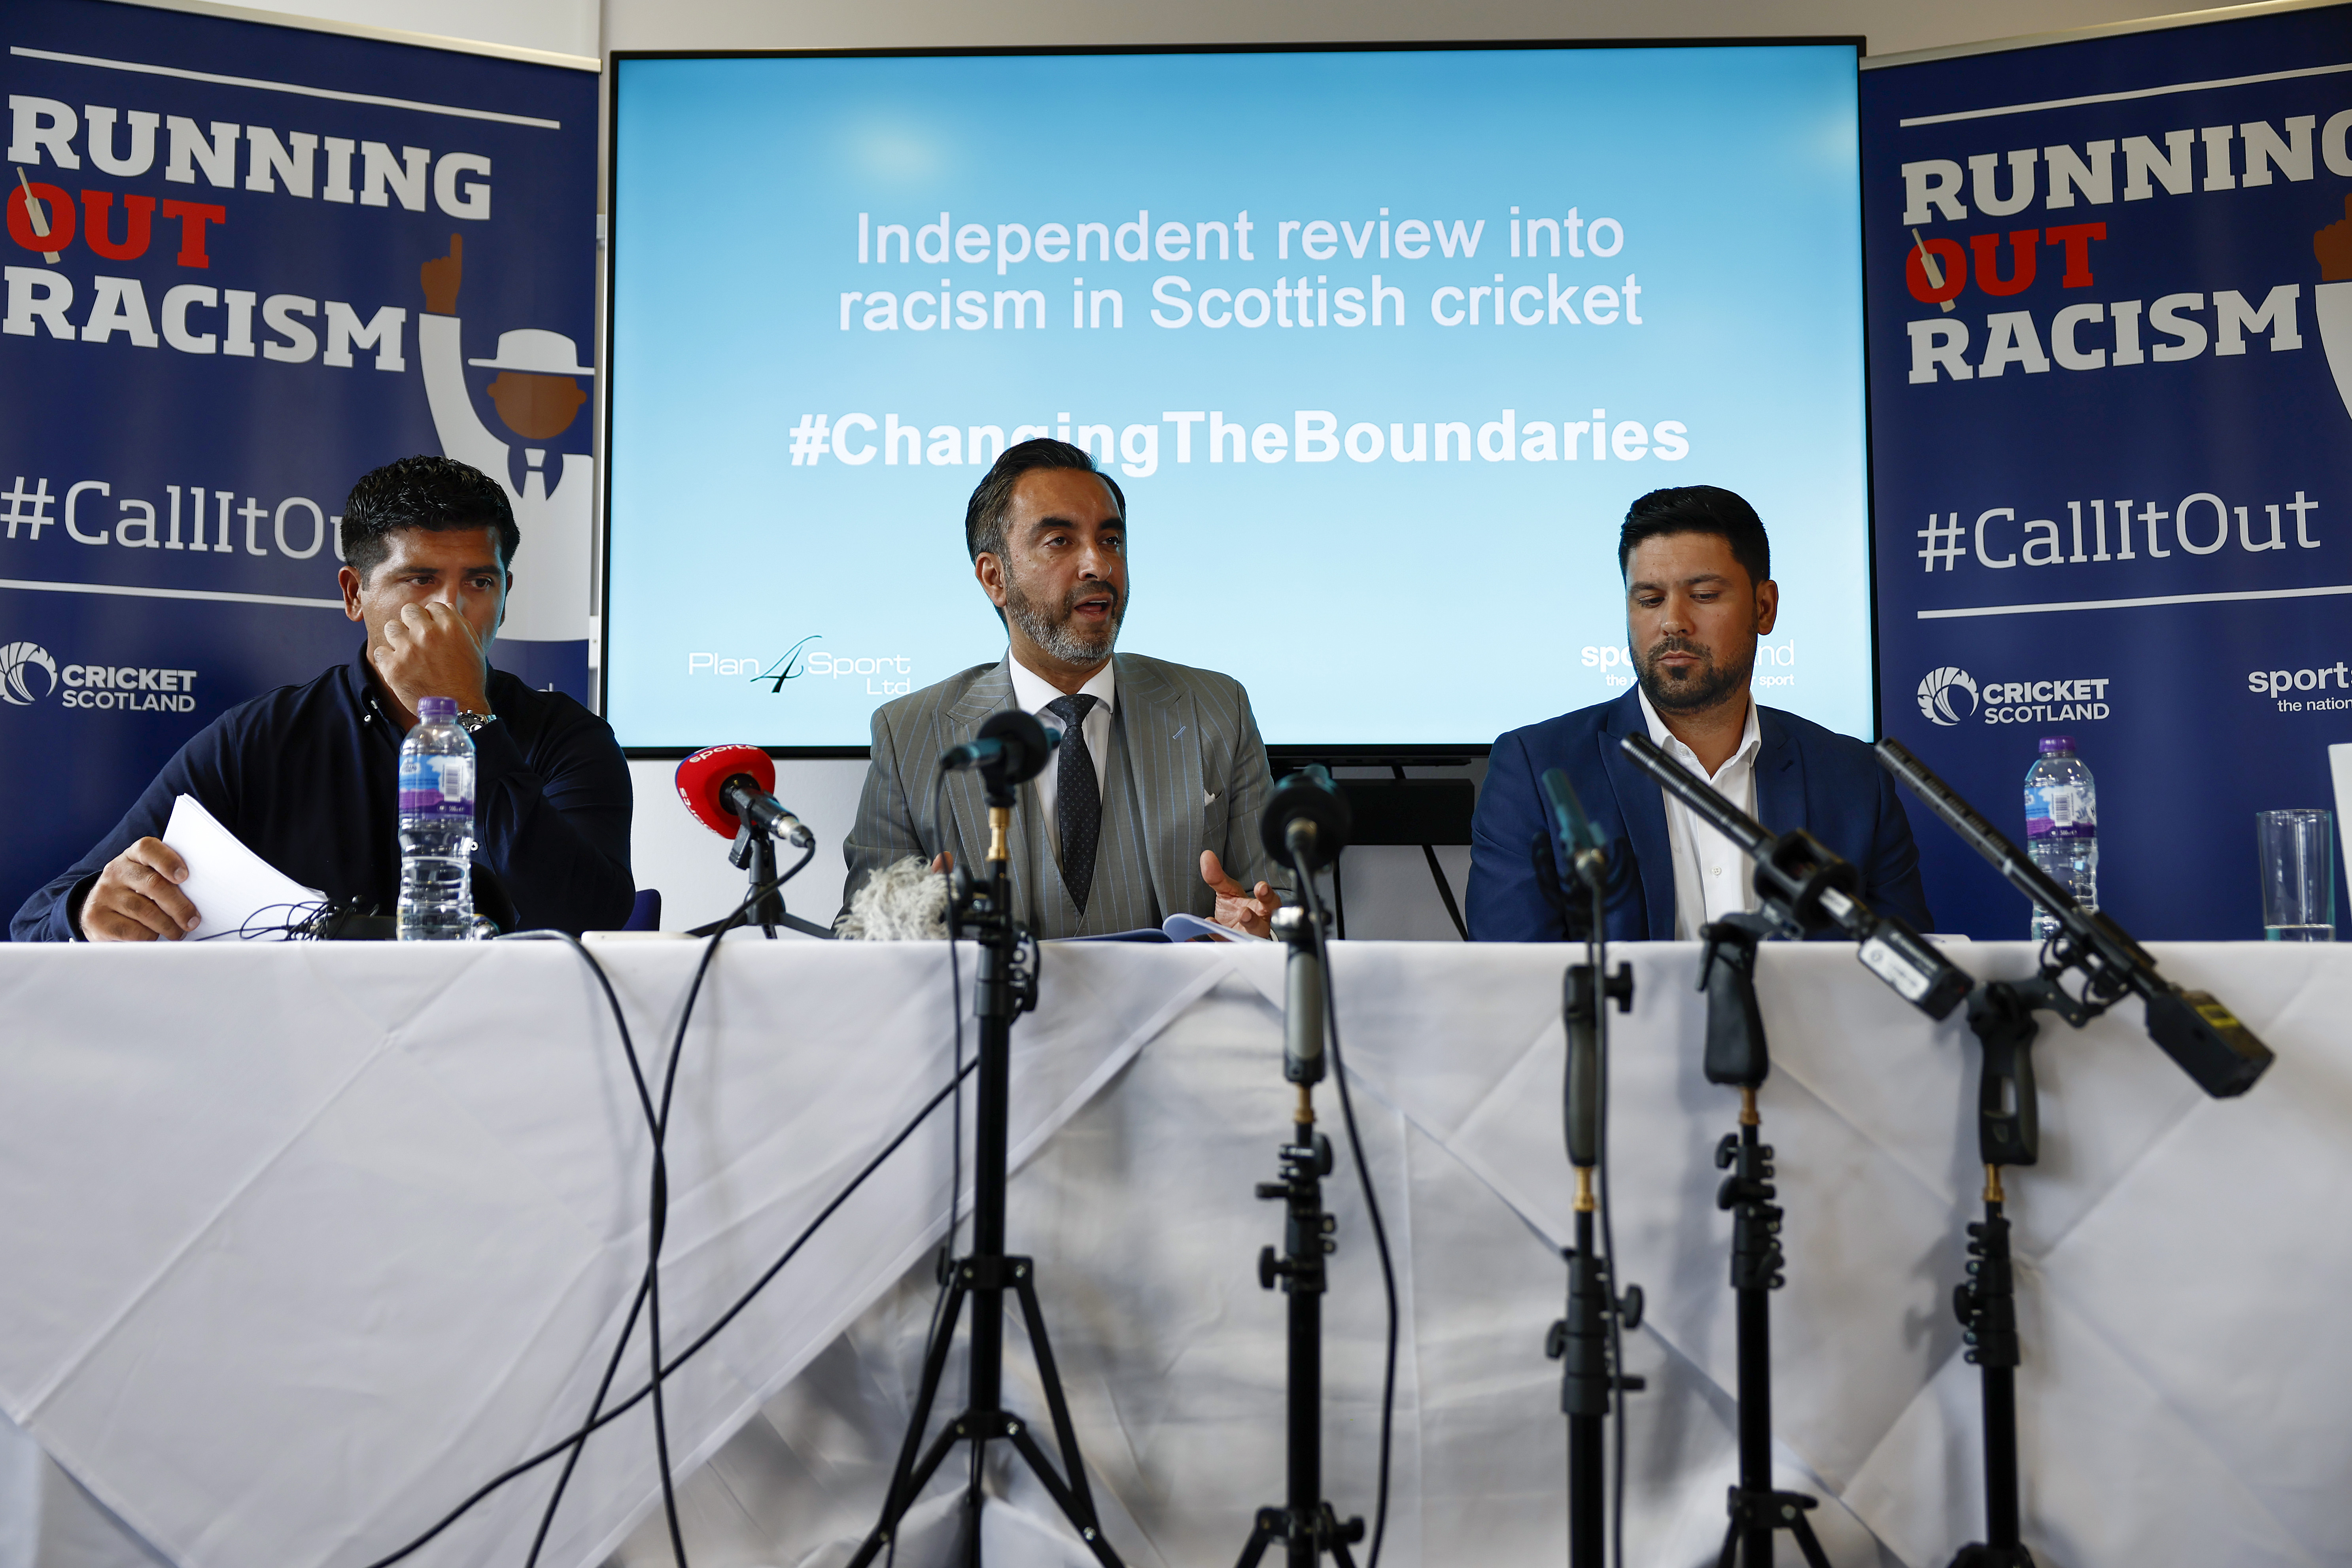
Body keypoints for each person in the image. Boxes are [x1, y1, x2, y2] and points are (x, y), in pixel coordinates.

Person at [10, 456, 634, 942]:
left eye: (479, 580)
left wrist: (467, 716)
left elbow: (591, 919)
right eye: (420, 579)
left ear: (505, 594)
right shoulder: (261, 739)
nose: (451, 608)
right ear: (355, 594)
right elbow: (36, 922)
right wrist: (89, 910)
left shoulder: (566, 737)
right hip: (293, 1047)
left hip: (499, 1043)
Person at [842, 438, 1284, 939]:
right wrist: (913, 929)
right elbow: (858, 933)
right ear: (994, 578)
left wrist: (1258, 930)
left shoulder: (1217, 710)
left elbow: (1280, 902)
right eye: (1060, 541)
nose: (1099, 565)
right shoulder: (909, 735)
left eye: (1111, 540)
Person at [1467, 485, 1929, 942]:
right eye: (1649, 600)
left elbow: (1903, 972)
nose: (1673, 622)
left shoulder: (1854, 779)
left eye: (1704, 595)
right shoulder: (1536, 771)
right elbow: (1510, 977)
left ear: (1764, 607)